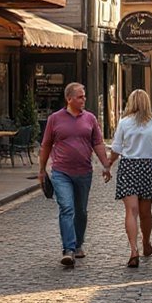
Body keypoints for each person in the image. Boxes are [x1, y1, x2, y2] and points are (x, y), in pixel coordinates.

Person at [38, 82, 112, 267]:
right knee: (66, 208)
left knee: (81, 211)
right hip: (61, 171)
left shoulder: (90, 119)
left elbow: (98, 143)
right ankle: (68, 249)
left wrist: (105, 164)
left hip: (84, 172)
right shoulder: (54, 119)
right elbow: (46, 144)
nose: (84, 99)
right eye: (80, 96)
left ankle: (78, 244)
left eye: (84, 96)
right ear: (69, 98)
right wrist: (41, 169)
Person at [106, 90, 152, 268]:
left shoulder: (124, 123)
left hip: (128, 167)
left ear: (130, 103)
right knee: (145, 212)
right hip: (147, 167)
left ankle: (133, 250)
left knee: (131, 211)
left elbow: (116, 148)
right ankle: (146, 242)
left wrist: (109, 165)